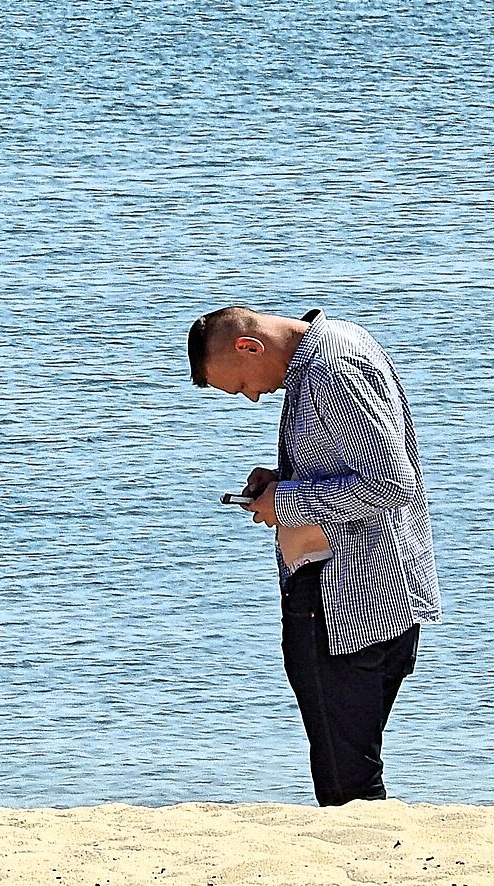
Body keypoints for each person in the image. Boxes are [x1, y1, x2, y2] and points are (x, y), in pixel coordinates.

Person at [188, 306, 440, 805]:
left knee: (347, 786)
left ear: (249, 346)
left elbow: (388, 482)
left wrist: (284, 501)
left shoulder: (331, 367)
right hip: (378, 593)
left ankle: (373, 878)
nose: (255, 396)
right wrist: (281, 481)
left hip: (346, 603)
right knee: (351, 771)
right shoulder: (336, 347)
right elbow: (358, 467)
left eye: (240, 387)